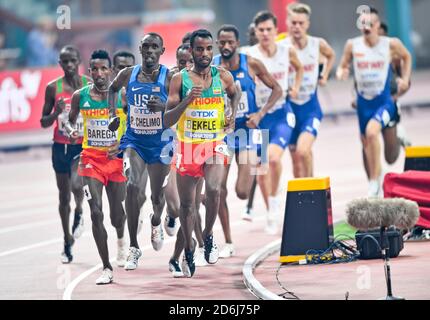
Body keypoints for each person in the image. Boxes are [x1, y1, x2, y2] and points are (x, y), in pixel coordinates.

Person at [164, 29, 240, 277]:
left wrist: (233, 115)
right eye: (199, 49)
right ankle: (188, 248)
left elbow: (235, 92)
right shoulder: (180, 80)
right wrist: (186, 101)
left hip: (214, 144)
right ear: (192, 51)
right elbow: (166, 120)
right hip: (188, 148)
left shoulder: (224, 76)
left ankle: (208, 235)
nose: (205, 53)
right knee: (188, 206)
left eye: (209, 49)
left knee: (216, 189)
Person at [214, 24, 282, 257]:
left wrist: (260, 113)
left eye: (230, 42)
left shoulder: (251, 63)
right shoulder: (211, 65)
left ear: (237, 42)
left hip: (247, 132)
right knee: (217, 189)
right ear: (217, 43)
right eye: (221, 42)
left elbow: (277, 89)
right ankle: (228, 241)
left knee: (242, 192)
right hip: (221, 134)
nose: (226, 46)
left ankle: (251, 176)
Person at [108, 33, 174, 270]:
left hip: (160, 143)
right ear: (140, 48)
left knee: (157, 197)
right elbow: (112, 89)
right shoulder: (128, 74)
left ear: (161, 50)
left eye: (154, 47)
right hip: (134, 141)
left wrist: (165, 106)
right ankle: (134, 247)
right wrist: (113, 115)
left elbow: (181, 104)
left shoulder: (170, 77)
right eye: (145, 46)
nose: (149, 51)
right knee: (133, 186)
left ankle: (156, 221)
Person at [337, 7, 412, 197]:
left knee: (388, 154)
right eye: (363, 23)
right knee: (367, 142)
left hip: (386, 100)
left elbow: (406, 58)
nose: (366, 27)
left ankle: (375, 180)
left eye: (370, 24)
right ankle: (374, 182)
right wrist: (341, 72)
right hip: (364, 104)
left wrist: (405, 79)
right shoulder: (353, 45)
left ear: (378, 26)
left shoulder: (391, 45)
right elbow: (344, 66)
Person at [67, 50, 127, 284]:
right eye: (95, 69)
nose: (100, 73)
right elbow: (71, 120)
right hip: (91, 159)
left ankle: (121, 239)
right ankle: (106, 266)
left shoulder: (121, 96)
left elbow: (133, 125)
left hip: (116, 160)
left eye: (104, 69)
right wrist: (72, 130)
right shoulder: (79, 96)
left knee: (116, 216)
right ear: (89, 72)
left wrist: (122, 144)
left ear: (111, 70)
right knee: (96, 212)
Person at [248, 11, 303, 234]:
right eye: (260, 30)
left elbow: (298, 68)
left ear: (275, 31)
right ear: (256, 32)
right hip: (258, 117)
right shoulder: (248, 55)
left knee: (272, 158)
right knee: (260, 168)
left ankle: (274, 200)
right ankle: (270, 208)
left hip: (280, 114)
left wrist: (296, 86)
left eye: (269, 29)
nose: (265, 33)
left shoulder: (286, 51)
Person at [40, 45, 90, 264]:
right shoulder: (53, 88)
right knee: (63, 196)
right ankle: (66, 240)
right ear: (60, 64)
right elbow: (43, 122)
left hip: (82, 146)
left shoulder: (89, 84)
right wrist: (56, 113)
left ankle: (80, 210)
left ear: (79, 60)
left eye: (72, 60)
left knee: (77, 185)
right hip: (60, 147)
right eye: (64, 61)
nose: (69, 65)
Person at [282, 3, 336, 178]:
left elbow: (331, 55)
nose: (297, 27)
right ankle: (302, 196)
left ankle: (312, 190)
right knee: (296, 160)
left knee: (303, 150)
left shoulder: (317, 44)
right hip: (289, 109)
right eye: (293, 23)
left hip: (310, 108)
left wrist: (325, 75)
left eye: (301, 23)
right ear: (288, 23)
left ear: (307, 24)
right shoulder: (281, 47)